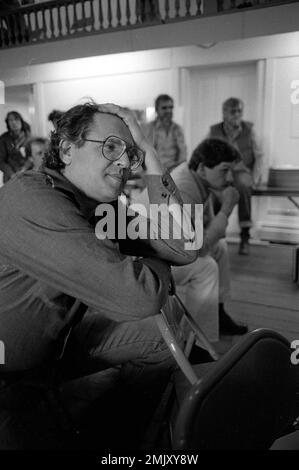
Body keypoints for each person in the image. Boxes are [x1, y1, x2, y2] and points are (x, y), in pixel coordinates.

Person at [0, 102, 198, 449]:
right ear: (66, 148)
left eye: (130, 153)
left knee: (161, 336)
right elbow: (141, 295)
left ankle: (115, 440)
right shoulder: (31, 199)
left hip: (52, 352)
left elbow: (184, 247)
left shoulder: (98, 205)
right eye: (111, 147)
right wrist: (155, 270)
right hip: (10, 376)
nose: (124, 162)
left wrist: (149, 152)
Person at [170, 138, 248, 341]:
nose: (230, 178)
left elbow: (213, 233)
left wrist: (222, 211)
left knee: (220, 247)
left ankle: (218, 314)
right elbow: (199, 248)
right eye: (224, 170)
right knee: (206, 266)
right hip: (147, 259)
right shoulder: (184, 187)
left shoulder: (197, 179)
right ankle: (196, 343)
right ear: (203, 167)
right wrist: (227, 208)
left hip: (170, 248)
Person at [209, 97, 263, 255]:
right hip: (222, 174)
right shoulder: (214, 131)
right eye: (233, 111)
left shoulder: (249, 130)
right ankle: (215, 235)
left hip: (242, 171)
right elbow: (206, 152)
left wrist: (257, 176)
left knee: (244, 186)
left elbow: (259, 155)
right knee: (212, 195)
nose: (237, 114)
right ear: (224, 113)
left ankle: (245, 236)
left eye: (240, 111)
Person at [143, 94, 187, 172]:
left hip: (175, 171)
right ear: (157, 109)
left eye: (171, 107)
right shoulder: (149, 128)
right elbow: (147, 152)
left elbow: (183, 155)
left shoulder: (178, 129)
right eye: (164, 108)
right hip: (155, 171)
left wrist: (178, 171)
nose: (168, 111)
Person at [0, 110, 31, 182]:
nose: (14, 122)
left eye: (16, 119)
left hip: (27, 174)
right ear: (8, 123)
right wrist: (12, 174)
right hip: (10, 177)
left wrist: (24, 169)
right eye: (10, 120)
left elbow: (32, 157)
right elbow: (0, 161)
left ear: (21, 121)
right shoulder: (3, 138)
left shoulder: (29, 137)